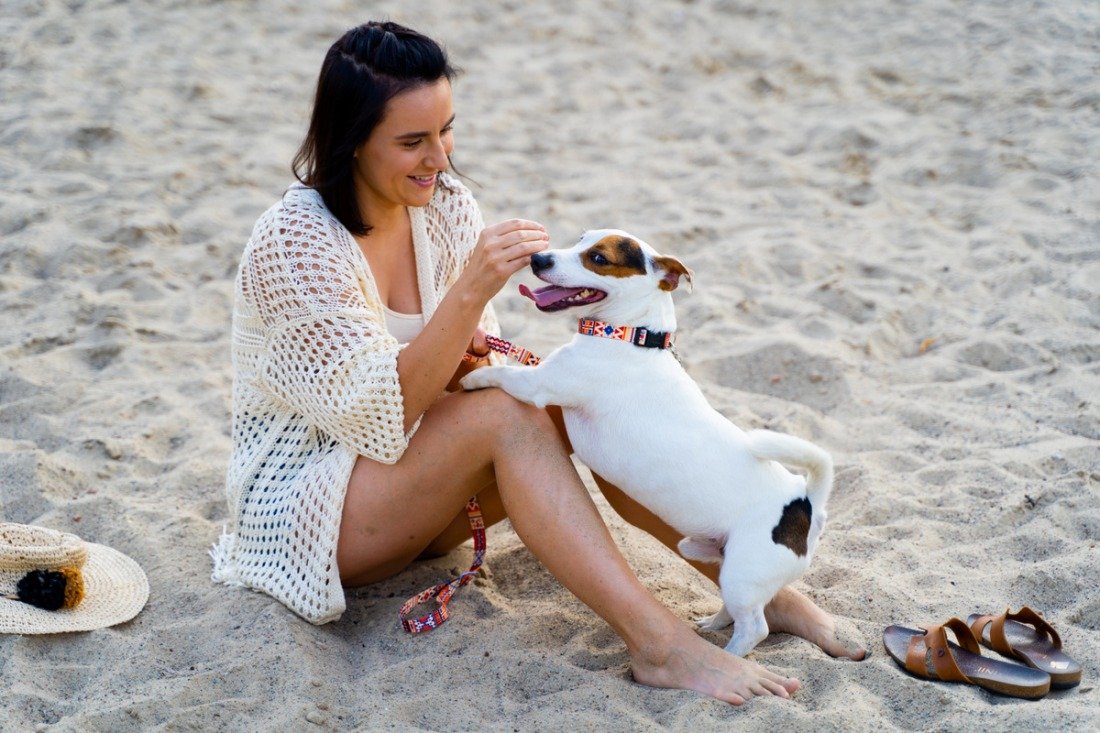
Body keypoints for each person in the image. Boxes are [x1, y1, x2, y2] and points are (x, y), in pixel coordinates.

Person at [212, 20, 862, 705]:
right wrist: (469, 291)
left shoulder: (446, 206)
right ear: (351, 141)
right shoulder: (294, 242)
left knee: (586, 398)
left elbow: (467, 372)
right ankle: (660, 645)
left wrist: (490, 350)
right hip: (310, 515)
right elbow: (377, 416)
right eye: (412, 142)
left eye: (446, 130)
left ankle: (757, 582)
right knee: (508, 412)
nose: (439, 158)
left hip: (419, 498)